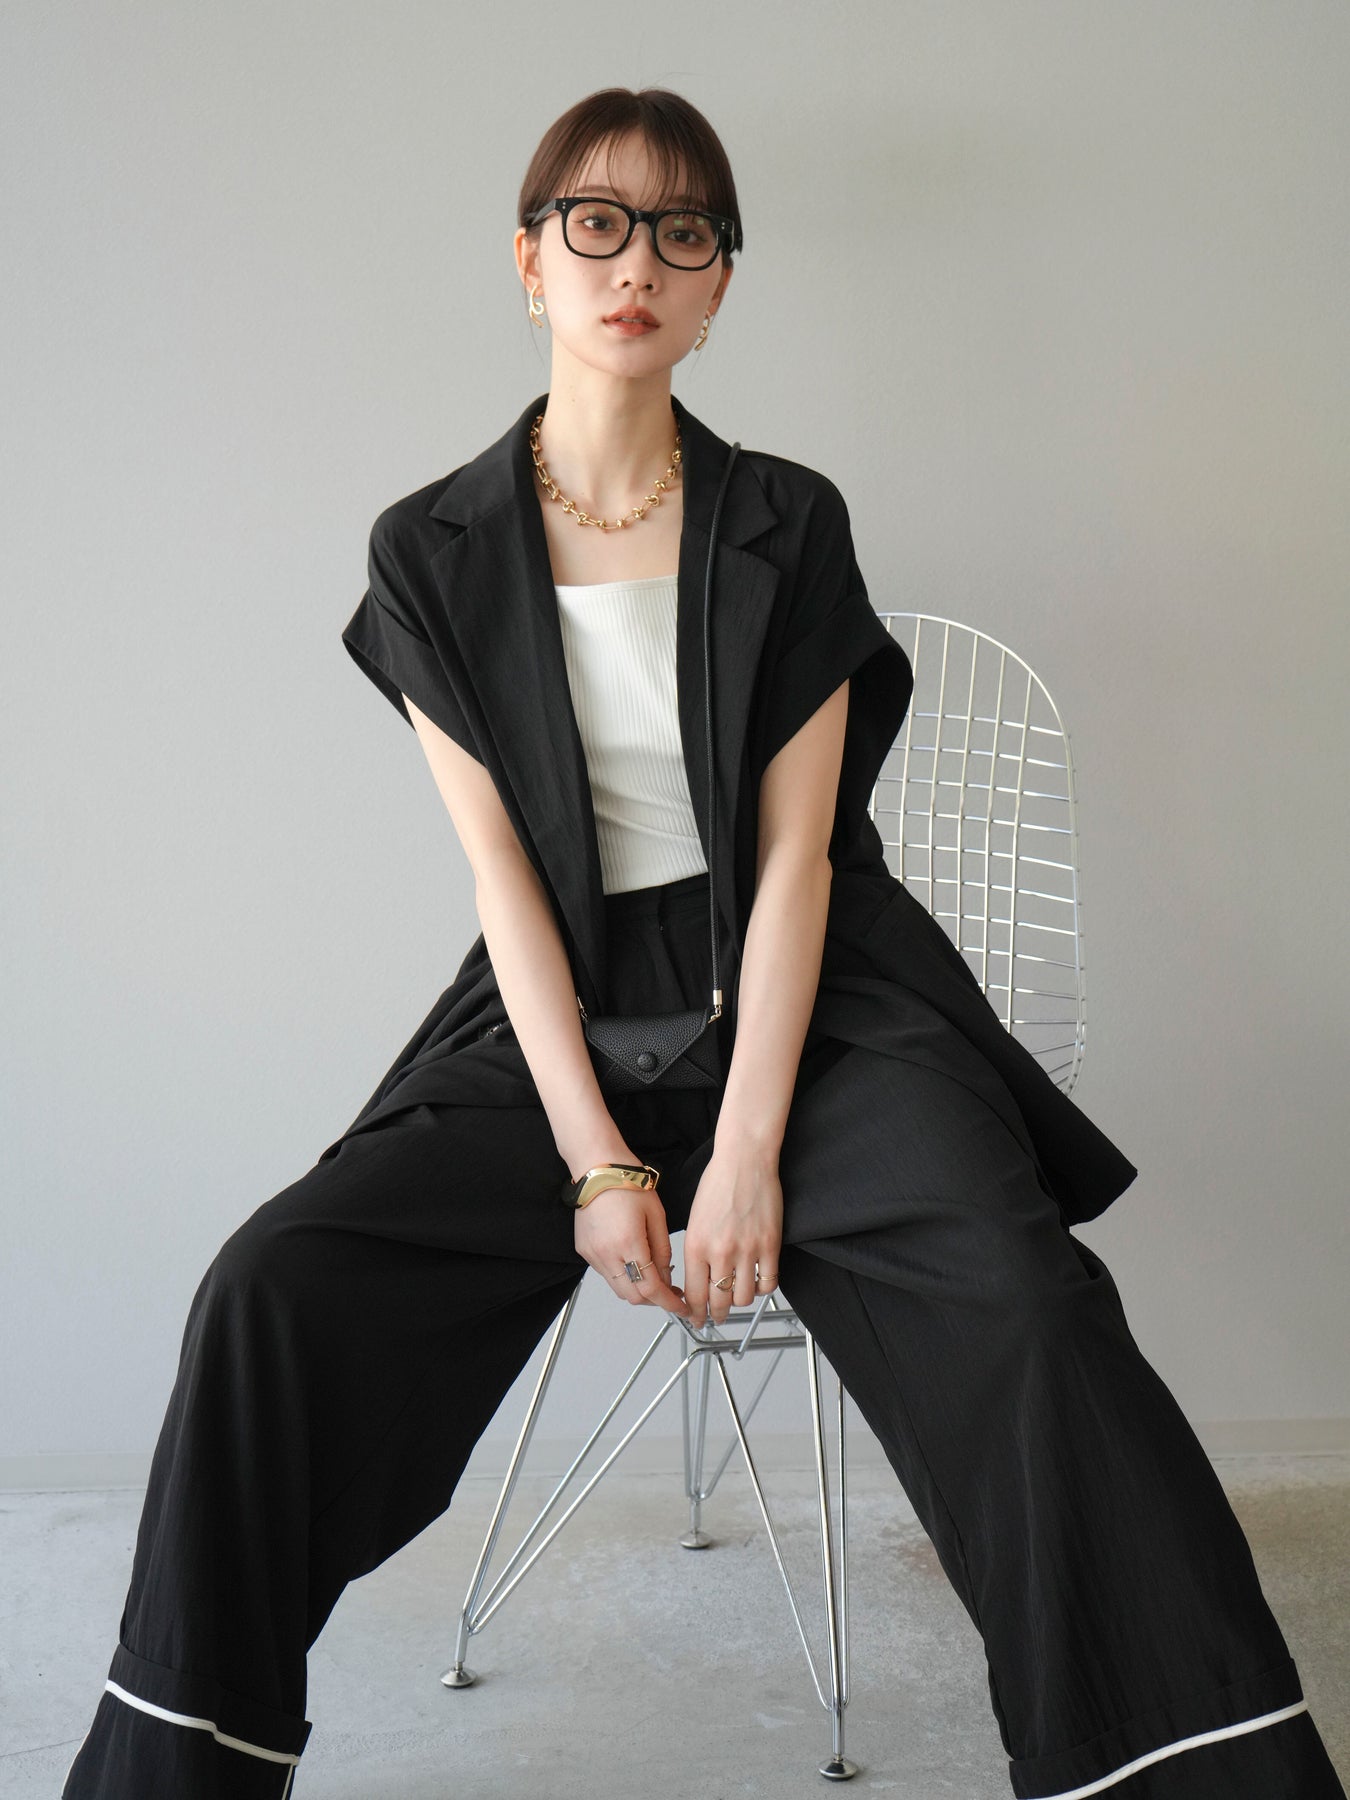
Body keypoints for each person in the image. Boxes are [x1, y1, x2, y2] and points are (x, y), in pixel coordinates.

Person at [62, 86, 1345, 1800]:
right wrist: (601, 1163)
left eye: (683, 233)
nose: (636, 264)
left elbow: (800, 853)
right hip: (559, 1002)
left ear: (719, 284)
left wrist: (742, 1154)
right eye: (595, 222)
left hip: (817, 998)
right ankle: (175, 1770)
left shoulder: (783, 518)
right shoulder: (430, 547)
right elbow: (504, 877)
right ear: (529, 261)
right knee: (270, 1289)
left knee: (1029, 1309)